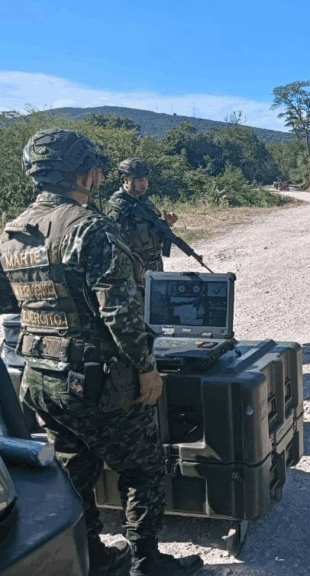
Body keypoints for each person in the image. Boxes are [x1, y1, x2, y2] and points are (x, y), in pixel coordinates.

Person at [0, 129, 203, 576]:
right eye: (95, 170)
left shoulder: (12, 234)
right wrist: (146, 369)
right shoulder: (89, 227)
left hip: (40, 380)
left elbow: (9, 305)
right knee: (144, 467)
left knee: (74, 466)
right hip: (94, 380)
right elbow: (120, 312)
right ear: (85, 174)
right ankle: (146, 562)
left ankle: (91, 556)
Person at [106, 158, 177, 275]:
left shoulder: (144, 202)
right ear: (125, 180)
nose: (144, 184)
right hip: (135, 270)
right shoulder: (119, 207)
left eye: (146, 179)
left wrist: (165, 224)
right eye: (139, 180)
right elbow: (115, 244)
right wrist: (132, 266)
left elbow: (146, 232)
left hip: (153, 266)